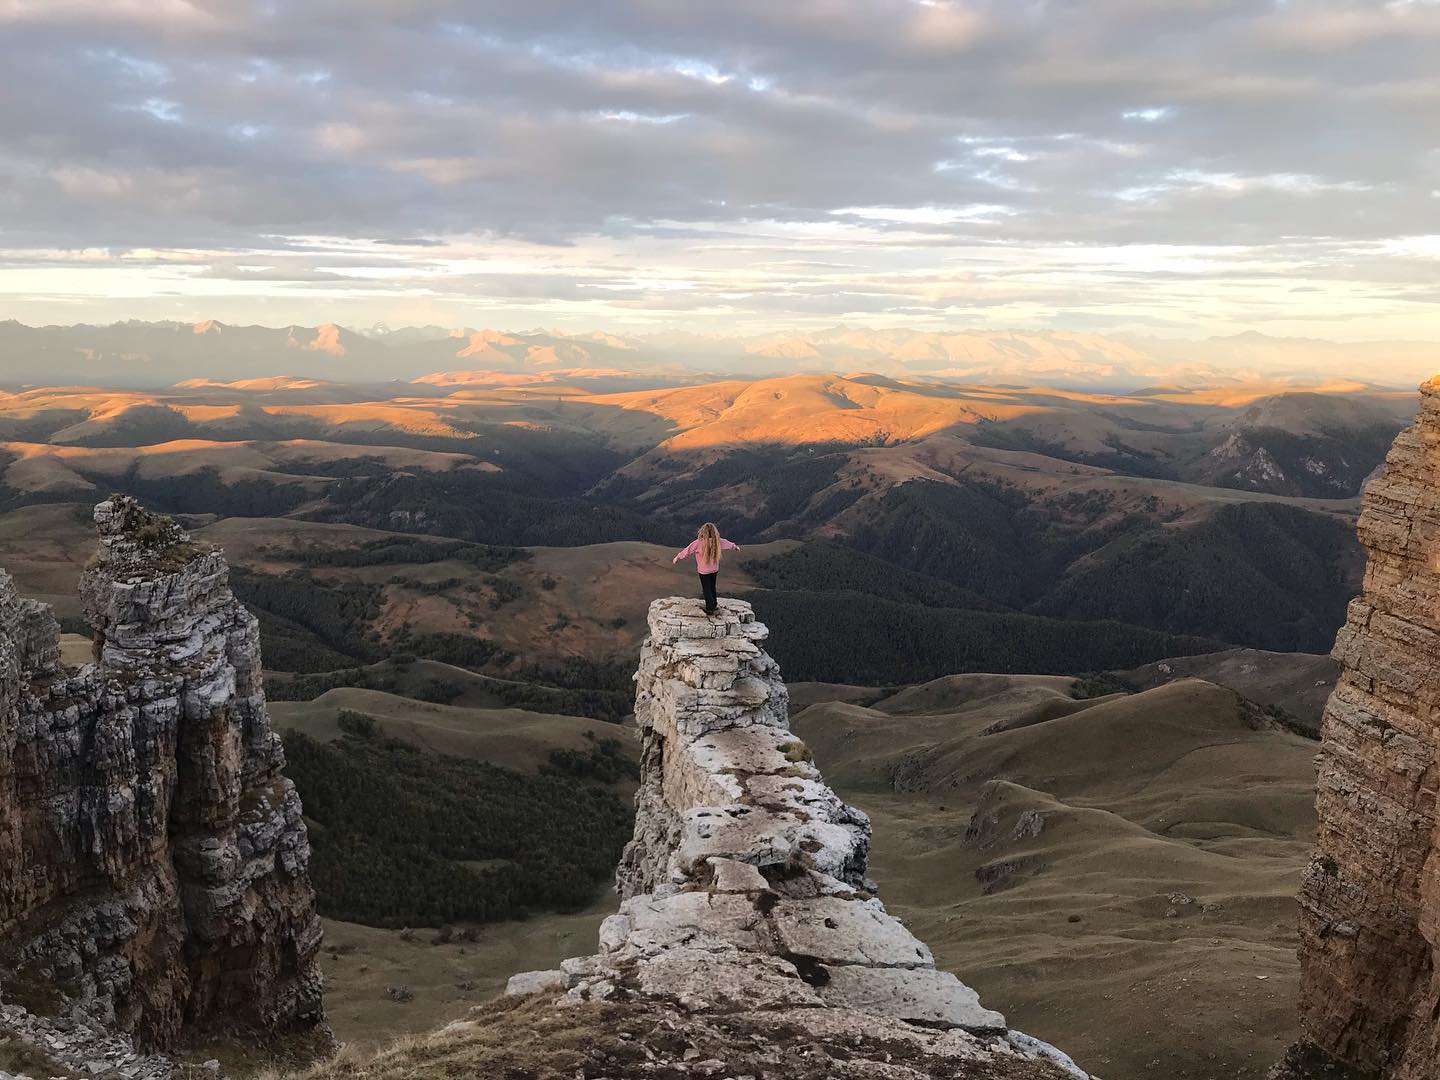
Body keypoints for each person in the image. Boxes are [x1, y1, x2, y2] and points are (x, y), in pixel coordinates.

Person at [672, 522, 739, 615]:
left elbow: (688, 550)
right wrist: (734, 547)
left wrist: (678, 557)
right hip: (714, 569)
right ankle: (714, 604)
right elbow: (727, 543)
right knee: (712, 587)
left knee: (706, 588)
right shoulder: (717, 541)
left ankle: (710, 608)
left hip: (703, 571)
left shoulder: (699, 542)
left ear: (702, 532)